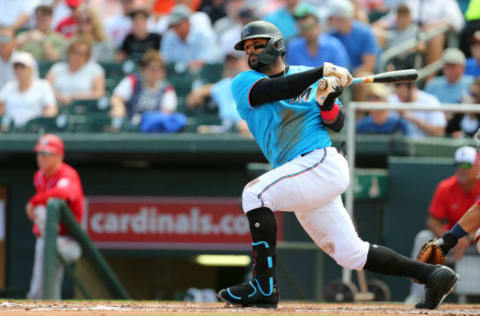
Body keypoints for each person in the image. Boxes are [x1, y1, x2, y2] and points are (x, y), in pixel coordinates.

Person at [217, 20, 459, 310]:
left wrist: (327, 99)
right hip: (301, 175)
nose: (251, 51)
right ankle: (433, 275)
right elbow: (274, 91)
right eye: (247, 47)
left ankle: (263, 285)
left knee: (255, 194)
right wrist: (320, 72)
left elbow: (337, 122)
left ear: (276, 45)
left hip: (320, 162)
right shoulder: (244, 81)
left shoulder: (308, 79)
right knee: (350, 254)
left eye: (258, 44)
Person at [405, 146, 480, 304]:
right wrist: (451, 239)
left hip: (473, 243)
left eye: (467, 165)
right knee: (424, 237)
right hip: (455, 243)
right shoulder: (446, 187)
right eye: (458, 165)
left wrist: (467, 237)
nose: (462, 169)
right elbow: (433, 220)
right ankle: (417, 294)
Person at [26, 134, 83, 299]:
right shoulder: (39, 176)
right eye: (39, 153)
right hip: (48, 238)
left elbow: (63, 193)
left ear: (59, 156)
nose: (42, 157)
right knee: (44, 250)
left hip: (70, 240)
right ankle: (43, 300)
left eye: (47, 153)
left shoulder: (67, 174)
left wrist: (33, 201)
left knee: (41, 209)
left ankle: (38, 297)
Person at [110, 50, 184, 133]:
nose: (155, 73)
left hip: (153, 131)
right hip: (130, 128)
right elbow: (116, 98)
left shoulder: (167, 89)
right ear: (143, 69)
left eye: (159, 69)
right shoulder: (132, 81)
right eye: (152, 69)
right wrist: (118, 107)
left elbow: (166, 113)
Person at [186, 52, 250, 136]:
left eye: (235, 61)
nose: (231, 65)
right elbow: (193, 98)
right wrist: (197, 96)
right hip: (227, 130)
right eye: (229, 62)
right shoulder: (224, 84)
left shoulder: (255, 82)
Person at [0, 52, 57, 129]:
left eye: (23, 67)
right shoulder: (8, 87)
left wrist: (39, 122)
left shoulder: (43, 86)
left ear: (31, 69)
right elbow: (1, 108)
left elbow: (51, 109)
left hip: (34, 131)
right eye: (16, 67)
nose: (19, 70)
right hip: (10, 131)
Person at [46, 39, 105, 106]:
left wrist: (73, 97)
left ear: (87, 56)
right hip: (56, 105)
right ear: (69, 53)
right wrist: (60, 97)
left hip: (84, 107)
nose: (77, 56)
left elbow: (98, 93)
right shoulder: (57, 68)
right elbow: (46, 88)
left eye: (82, 54)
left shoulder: (95, 70)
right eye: (74, 52)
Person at [161, 4, 219, 71]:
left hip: (201, 75)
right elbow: (165, 61)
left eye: (178, 25)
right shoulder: (169, 36)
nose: (175, 28)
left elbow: (207, 60)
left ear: (187, 22)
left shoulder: (204, 35)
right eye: (173, 25)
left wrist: (187, 66)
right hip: (176, 75)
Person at [327, 0, 379, 74]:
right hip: (336, 78)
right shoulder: (331, 35)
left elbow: (369, 66)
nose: (331, 21)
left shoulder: (365, 33)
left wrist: (348, 77)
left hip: (359, 78)